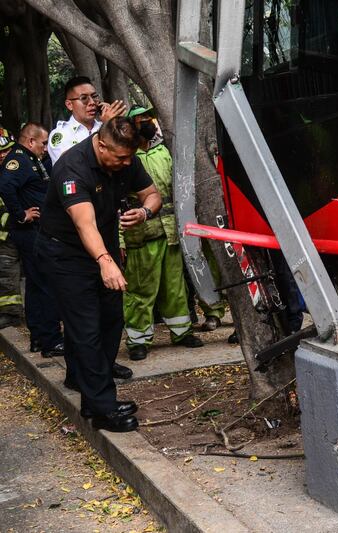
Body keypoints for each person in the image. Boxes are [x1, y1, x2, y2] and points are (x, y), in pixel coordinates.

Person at [37, 117, 161, 432]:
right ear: (101, 144)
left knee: (111, 319)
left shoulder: (125, 160)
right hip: (65, 254)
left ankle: (88, 388)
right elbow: (84, 224)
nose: (127, 163)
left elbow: (152, 194)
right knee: (86, 327)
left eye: (130, 157)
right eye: (120, 157)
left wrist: (144, 211)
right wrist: (105, 260)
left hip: (101, 250)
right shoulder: (72, 167)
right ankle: (102, 408)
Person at [121, 106, 203, 361]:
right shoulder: (128, 157)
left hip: (171, 232)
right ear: (132, 126)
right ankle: (138, 340)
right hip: (140, 234)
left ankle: (181, 331)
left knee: (175, 287)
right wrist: (119, 238)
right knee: (140, 290)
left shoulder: (163, 150)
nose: (147, 122)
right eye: (141, 119)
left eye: (149, 118)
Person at [0, 123, 65, 356]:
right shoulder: (19, 160)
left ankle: (39, 337)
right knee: (47, 283)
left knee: (37, 285)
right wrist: (21, 215)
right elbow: (5, 186)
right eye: (43, 143)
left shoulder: (30, 158)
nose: (46, 148)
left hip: (36, 232)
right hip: (32, 233)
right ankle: (52, 341)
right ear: (30, 142)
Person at [48, 76, 126, 165]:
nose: (92, 102)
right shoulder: (61, 134)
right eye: (84, 98)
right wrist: (105, 128)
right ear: (69, 105)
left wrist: (116, 124)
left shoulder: (105, 125)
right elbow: (72, 162)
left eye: (94, 96)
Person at [0, 128, 23, 329]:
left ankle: (12, 313)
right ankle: (9, 312)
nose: (2, 155)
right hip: (4, 235)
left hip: (22, 230)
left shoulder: (21, 168)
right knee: (5, 273)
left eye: (5, 150)